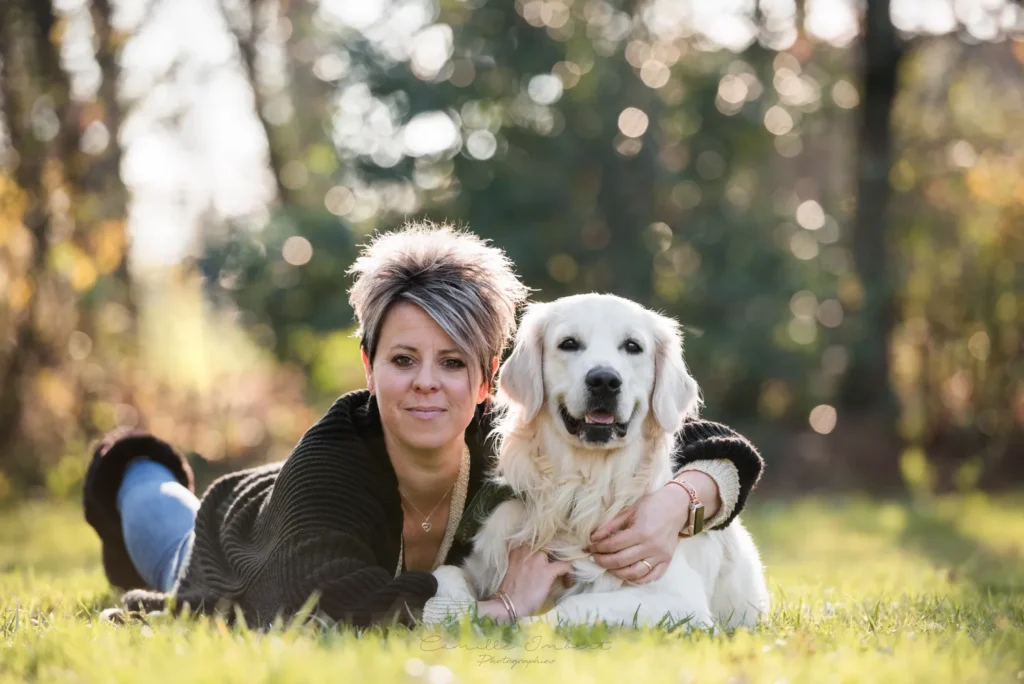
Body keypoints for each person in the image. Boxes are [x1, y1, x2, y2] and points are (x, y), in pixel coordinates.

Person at [82, 223, 765, 629]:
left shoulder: (511, 434)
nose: (428, 383)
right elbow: (324, 604)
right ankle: (136, 466)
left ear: (488, 377)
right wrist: (501, 610)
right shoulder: (329, 473)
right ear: (368, 364)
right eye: (403, 360)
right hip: (243, 542)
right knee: (162, 519)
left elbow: (699, 436)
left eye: (451, 362)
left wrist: (681, 500)